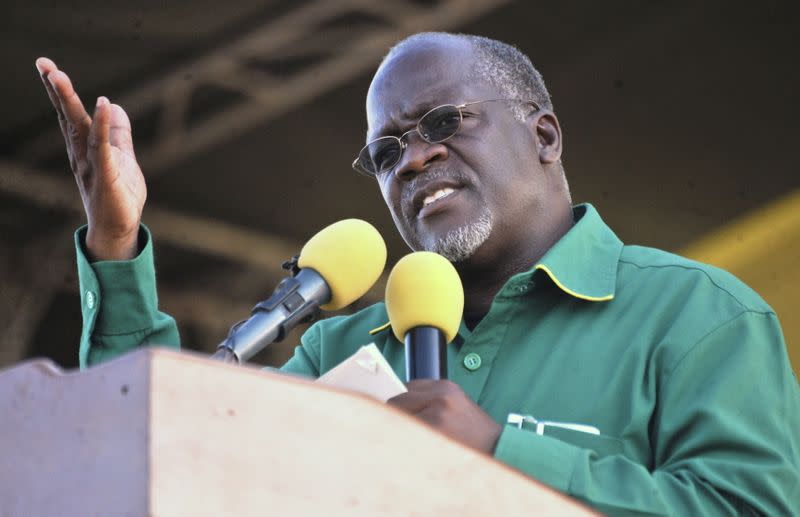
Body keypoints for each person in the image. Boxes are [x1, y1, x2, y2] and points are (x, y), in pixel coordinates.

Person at [36, 32, 799, 515]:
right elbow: (169, 470)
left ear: (544, 134)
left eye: (443, 123)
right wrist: (115, 240)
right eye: (387, 151)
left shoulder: (695, 314)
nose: (415, 157)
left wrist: (500, 449)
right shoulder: (337, 350)